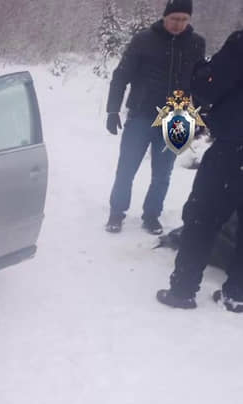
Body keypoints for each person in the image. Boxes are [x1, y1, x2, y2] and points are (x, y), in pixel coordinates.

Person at [157, 30, 243, 312]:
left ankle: (183, 289)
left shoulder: (240, 44)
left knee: (202, 218)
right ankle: (237, 294)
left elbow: (208, 86)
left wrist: (203, 69)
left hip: (233, 150)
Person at [104, 0, 205, 235]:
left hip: (175, 118)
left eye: (183, 19)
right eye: (174, 19)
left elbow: (199, 83)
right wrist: (112, 110)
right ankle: (116, 213)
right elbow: (121, 76)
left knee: (162, 173)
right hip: (141, 114)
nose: (178, 24)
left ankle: (151, 215)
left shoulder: (196, 44)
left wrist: (199, 115)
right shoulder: (144, 40)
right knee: (127, 168)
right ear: (164, 17)